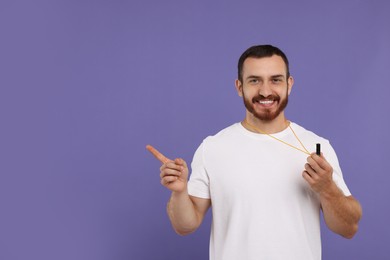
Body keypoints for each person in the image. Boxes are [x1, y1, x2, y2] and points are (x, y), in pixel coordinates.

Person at [146, 44, 362, 260]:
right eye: (254, 80)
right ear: (239, 87)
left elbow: (348, 228)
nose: (265, 91)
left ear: (289, 84)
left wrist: (327, 188)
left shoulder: (317, 147)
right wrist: (179, 192)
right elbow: (185, 226)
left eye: (275, 80)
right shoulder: (212, 147)